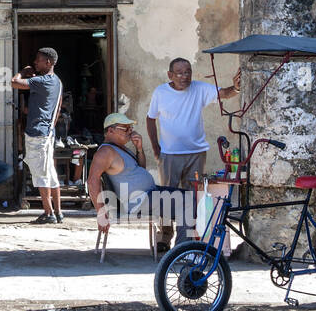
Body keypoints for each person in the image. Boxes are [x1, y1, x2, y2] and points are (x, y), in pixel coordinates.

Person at [146, 57, 240, 251]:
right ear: (170, 75)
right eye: (179, 72)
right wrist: (156, 148)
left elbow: (223, 93)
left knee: (191, 197)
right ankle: (164, 237)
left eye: (188, 72)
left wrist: (236, 88)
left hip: (196, 153)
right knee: (167, 196)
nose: (184, 76)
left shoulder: (199, 89)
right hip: (169, 154)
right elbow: (150, 119)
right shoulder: (161, 92)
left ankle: (185, 241)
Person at [11, 48, 63, 224]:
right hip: (48, 133)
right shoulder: (57, 82)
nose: (35, 62)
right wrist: (50, 127)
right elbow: (58, 110)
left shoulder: (41, 80)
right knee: (51, 173)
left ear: (48, 63)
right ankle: (58, 211)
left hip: (37, 134)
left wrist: (23, 72)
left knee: (40, 174)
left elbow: (14, 82)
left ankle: (49, 214)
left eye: (38, 60)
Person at [86, 113, 156, 234]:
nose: (129, 131)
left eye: (131, 128)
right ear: (110, 130)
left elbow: (140, 170)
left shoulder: (121, 148)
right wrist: (101, 212)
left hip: (148, 195)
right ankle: (186, 249)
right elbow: (92, 181)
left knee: (189, 199)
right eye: (125, 128)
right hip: (139, 201)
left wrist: (139, 149)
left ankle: (183, 247)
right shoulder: (105, 152)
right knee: (188, 202)